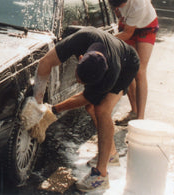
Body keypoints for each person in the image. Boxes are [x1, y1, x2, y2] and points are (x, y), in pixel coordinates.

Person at [34, 27, 139, 192]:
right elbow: (45, 63)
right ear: (80, 58)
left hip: (128, 63)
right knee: (92, 107)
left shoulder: (110, 74)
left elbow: (85, 98)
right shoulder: (81, 39)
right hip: (110, 51)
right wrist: (37, 104)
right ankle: (110, 153)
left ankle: (100, 176)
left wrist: (52, 111)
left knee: (101, 109)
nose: (78, 82)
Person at [73, 0, 158, 125]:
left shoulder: (137, 2)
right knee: (129, 69)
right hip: (127, 24)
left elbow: (127, 33)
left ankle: (140, 119)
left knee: (139, 70)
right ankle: (133, 111)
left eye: (119, 7)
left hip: (146, 26)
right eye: (114, 7)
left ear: (127, 1)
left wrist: (101, 39)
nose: (116, 10)